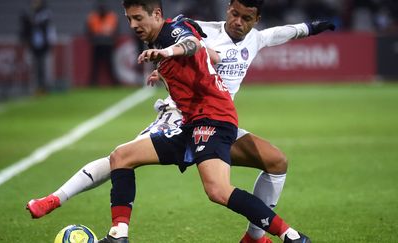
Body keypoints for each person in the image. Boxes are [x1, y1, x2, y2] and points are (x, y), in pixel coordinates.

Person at [27, 0, 334, 242]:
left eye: (247, 18)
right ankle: (57, 199)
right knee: (121, 157)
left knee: (276, 162)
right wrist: (169, 60)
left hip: (214, 119)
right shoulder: (199, 27)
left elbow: (286, 32)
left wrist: (315, 25)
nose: (238, 22)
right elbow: (186, 42)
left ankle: (255, 238)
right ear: (228, 8)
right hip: (180, 115)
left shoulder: (254, 40)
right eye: (235, 13)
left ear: (255, 20)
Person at [19, 0, 56, 94]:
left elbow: (44, 25)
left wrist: (31, 21)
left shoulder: (45, 13)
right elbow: (26, 29)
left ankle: (44, 87)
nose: (34, 4)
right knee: (35, 68)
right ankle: (36, 88)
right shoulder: (31, 13)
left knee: (43, 67)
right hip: (34, 45)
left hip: (44, 45)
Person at [86, 1, 120, 86]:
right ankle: (93, 82)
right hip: (97, 44)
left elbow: (116, 31)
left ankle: (114, 82)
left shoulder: (111, 17)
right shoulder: (93, 17)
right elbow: (88, 31)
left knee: (110, 65)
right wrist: (93, 40)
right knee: (95, 65)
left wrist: (113, 40)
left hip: (108, 45)